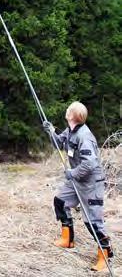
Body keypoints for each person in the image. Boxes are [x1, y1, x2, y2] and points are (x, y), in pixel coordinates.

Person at [43, 101, 113, 272]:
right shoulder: (70, 131)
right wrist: (51, 131)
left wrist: (72, 173)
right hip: (77, 180)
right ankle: (68, 239)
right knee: (60, 201)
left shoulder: (84, 136)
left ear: (73, 115)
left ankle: (105, 255)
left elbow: (90, 164)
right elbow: (59, 144)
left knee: (93, 222)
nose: (66, 110)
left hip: (90, 183)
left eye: (69, 110)